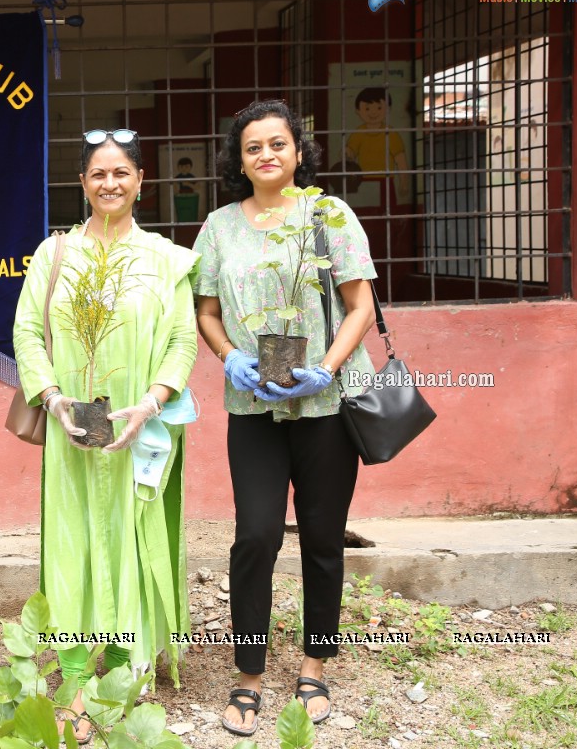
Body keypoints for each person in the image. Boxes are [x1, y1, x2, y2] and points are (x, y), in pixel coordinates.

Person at [193, 100, 377, 737]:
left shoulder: (329, 215)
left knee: (324, 537)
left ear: (299, 151)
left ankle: (315, 661)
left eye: (277, 144)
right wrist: (230, 357)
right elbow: (207, 312)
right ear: (238, 160)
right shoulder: (218, 226)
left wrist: (326, 365)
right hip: (253, 406)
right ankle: (248, 674)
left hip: (324, 405)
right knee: (257, 536)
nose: (266, 155)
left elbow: (360, 304)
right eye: (252, 147)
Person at [13, 128, 200, 744]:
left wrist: (153, 402)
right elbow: (26, 335)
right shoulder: (54, 253)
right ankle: (71, 676)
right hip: (75, 427)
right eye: (98, 174)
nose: (110, 183)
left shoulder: (167, 258)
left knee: (128, 538)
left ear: (141, 180)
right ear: (83, 183)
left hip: (139, 432)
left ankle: (121, 670)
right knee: (71, 544)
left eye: (122, 172)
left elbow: (182, 340)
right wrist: (51, 397)